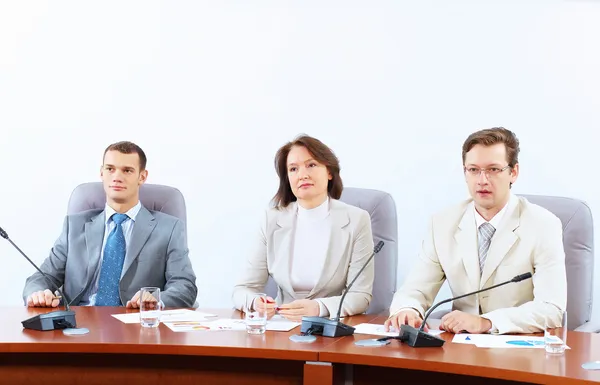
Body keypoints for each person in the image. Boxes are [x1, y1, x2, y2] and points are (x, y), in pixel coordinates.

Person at [385, 127, 566, 334]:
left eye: (493, 169)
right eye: (473, 170)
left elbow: (552, 309)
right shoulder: (443, 223)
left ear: (513, 172)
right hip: (460, 348)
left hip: (519, 347)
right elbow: (415, 288)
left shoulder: (543, 224)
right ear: (465, 172)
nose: (482, 180)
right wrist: (407, 308)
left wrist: (486, 322)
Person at [23, 141, 198, 308]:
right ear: (101, 173)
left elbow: (184, 285)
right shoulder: (74, 226)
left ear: (142, 176)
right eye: (110, 169)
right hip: (78, 324)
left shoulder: (169, 228)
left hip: (136, 324)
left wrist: (156, 299)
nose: (117, 177)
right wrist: (38, 293)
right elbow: (42, 277)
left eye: (127, 170)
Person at [232, 134, 375, 321]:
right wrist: (255, 302)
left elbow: (360, 295)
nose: (302, 175)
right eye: (293, 169)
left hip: (331, 325)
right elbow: (243, 289)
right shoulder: (271, 219)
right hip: (282, 327)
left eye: (311, 165)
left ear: (329, 172)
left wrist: (318, 308)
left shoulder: (357, 220)